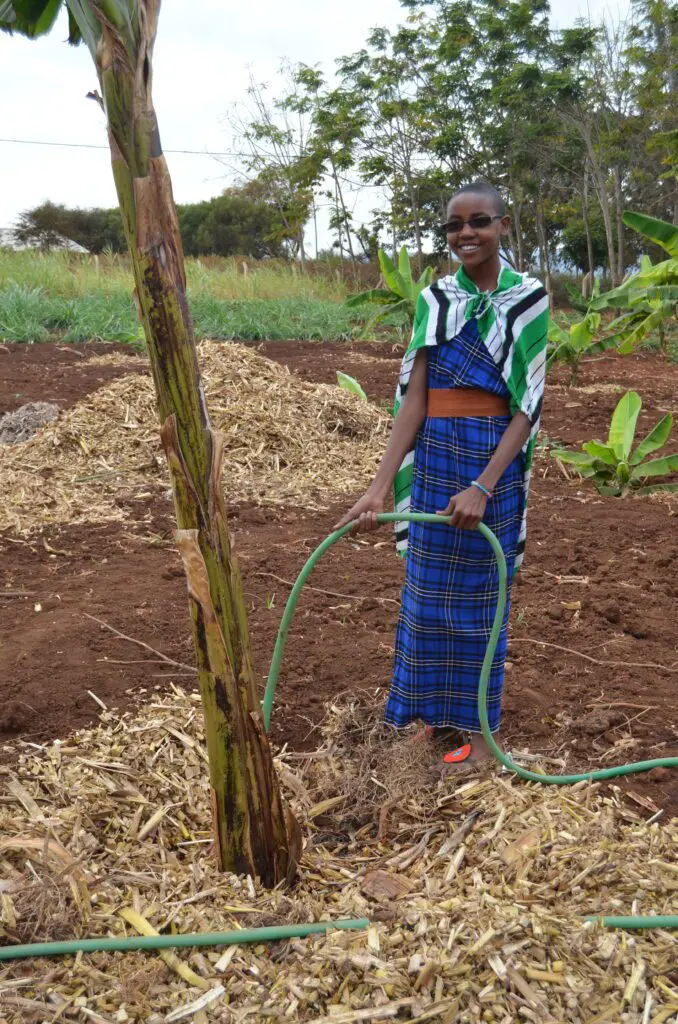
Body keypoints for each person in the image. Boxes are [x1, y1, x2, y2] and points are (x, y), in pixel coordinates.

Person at [334, 182, 549, 764]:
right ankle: (428, 719)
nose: (466, 234)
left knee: (483, 600)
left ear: (503, 226)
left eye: (479, 222)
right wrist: (380, 484)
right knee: (425, 599)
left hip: (492, 464)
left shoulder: (529, 299)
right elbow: (414, 399)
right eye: (455, 226)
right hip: (434, 457)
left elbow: (528, 405)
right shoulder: (436, 300)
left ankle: (481, 738)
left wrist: (484, 485)